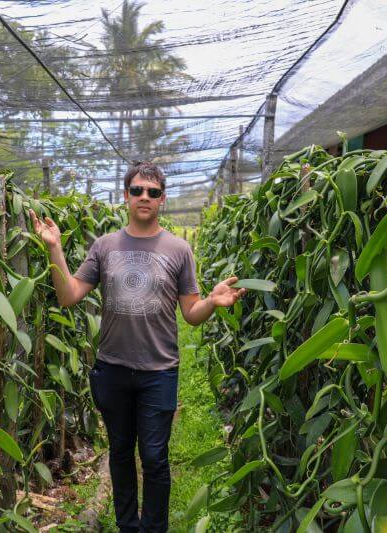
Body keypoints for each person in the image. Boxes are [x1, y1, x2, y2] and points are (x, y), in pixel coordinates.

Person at [29, 161, 246, 533]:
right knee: (120, 452)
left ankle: (154, 528)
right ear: (126, 196)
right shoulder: (105, 246)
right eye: (137, 190)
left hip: (159, 371)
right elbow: (68, 296)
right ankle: (128, 525)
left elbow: (191, 313)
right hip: (112, 368)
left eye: (153, 191)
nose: (145, 197)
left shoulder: (179, 249)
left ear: (162, 199)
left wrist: (212, 302)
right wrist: (55, 250)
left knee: (155, 457)